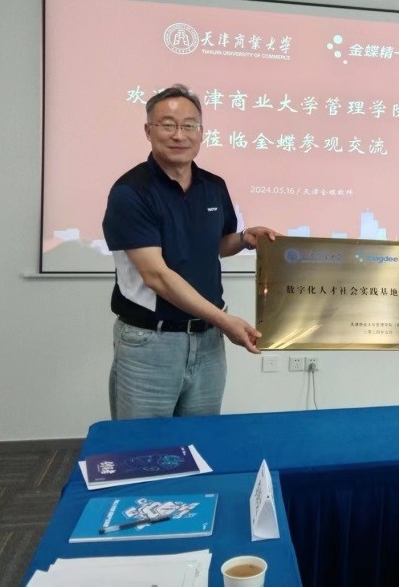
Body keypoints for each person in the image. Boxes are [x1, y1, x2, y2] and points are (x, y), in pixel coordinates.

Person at [102, 84, 276, 419]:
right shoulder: (131, 192)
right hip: (151, 342)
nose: (179, 135)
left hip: (208, 341)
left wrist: (244, 238)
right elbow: (156, 276)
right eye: (168, 125)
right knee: (144, 446)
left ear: (201, 132)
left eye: (189, 125)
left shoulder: (213, 186)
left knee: (201, 440)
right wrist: (225, 320)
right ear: (148, 131)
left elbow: (215, 245)